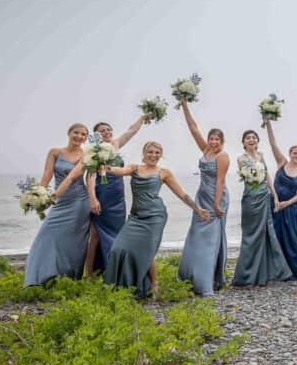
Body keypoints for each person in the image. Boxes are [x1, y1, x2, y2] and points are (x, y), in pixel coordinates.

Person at [102, 141, 209, 297]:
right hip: (136, 217)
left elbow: (181, 194)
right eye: (150, 152)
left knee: (147, 251)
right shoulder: (134, 168)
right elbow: (120, 170)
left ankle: (153, 283)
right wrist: (107, 168)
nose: (153, 155)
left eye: (157, 153)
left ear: (161, 155)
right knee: (118, 248)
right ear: (144, 154)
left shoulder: (164, 173)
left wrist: (197, 209)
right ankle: (121, 286)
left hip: (155, 217)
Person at [23, 123, 92, 287]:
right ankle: (39, 278)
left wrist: (52, 198)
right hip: (60, 201)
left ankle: (69, 277)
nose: (79, 137)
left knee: (74, 241)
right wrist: (38, 196)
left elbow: (77, 179)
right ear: (69, 133)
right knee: (46, 235)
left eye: (83, 134)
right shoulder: (55, 152)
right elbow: (46, 177)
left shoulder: (87, 155)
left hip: (79, 201)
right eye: (76, 133)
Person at [177, 98, 229, 296]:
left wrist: (217, 205)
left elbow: (221, 181)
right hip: (201, 196)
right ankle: (190, 275)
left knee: (211, 239)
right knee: (197, 236)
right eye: (211, 138)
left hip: (216, 197)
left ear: (222, 142)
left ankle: (207, 281)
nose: (213, 142)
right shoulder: (205, 149)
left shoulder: (222, 156)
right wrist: (184, 104)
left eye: (217, 139)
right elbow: (193, 127)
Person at [83, 114, 146, 275]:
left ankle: (112, 267)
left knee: (118, 233)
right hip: (101, 195)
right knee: (95, 235)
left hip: (117, 198)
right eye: (102, 131)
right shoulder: (93, 150)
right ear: (96, 135)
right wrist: (93, 199)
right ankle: (89, 273)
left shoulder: (116, 145)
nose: (106, 132)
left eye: (108, 129)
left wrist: (144, 116)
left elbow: (131, 131)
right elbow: (89, 176)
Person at [231, 130, 292, 287]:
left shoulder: (262, 156)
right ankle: (246, 275)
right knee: (252, 234)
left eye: (254, 138)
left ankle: (264, 274)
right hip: (251, 197)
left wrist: (275, 196)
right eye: (248, 138)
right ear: (243, 142)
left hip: (264, 196)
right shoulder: (240, 159)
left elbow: (267, 177)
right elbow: (248, 178)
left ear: (257, 141)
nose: (251, 140)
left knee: (265, 233)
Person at [263, 119, 297, 280]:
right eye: (295, 153)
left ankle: (295, 271)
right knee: (273, 235)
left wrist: (287, 203)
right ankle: (275, 271)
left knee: (291, 237)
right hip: (274, 204)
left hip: (289, 207)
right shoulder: (281, 162)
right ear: (290, 153)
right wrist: (268, 123)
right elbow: (272, 143)